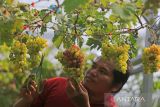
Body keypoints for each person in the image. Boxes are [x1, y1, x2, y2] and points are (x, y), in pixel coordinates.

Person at [13, 57, 130, 107]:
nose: (93, 72)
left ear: (116, 86)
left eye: (103, 71)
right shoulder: (56, 84)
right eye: (93, 66)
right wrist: (25, 101)